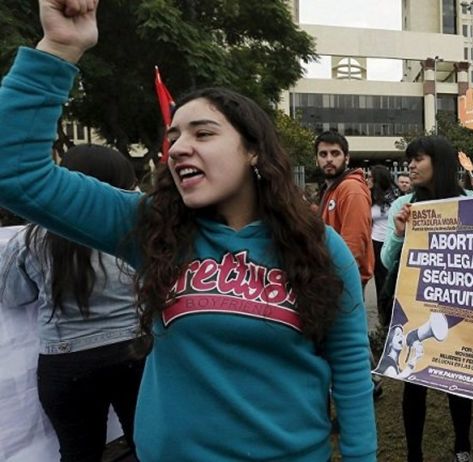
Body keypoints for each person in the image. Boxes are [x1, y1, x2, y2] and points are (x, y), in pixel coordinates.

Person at [0, 2, 376, 461]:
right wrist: (59, 47)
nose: (179, 148)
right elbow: (14, 172)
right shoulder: (151, 227)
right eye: (174, 136)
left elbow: (352, 368)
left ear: (253, 151)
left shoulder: (318, 245)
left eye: (202, 133)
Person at [0, 144, 145, 462]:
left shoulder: (33, 237)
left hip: (65, 360)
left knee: (78, 454)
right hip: (135, 350)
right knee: (147, 445)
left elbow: (11, 295)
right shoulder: (136, 232)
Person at [381, 135, 473, 462]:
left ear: (440, 162)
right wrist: (401, 235)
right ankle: (414, 453)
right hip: (416, 304)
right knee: (413, 379)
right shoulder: (403, 206)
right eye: (410, 160)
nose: (411, 166)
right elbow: (389, 262)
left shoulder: (470, 201)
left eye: (418, 159)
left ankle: (463, 446)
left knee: (457, 376)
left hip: (458, 303)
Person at [316, 131, 374, 287]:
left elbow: (353, 244)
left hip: (343, 280)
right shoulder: (330, 189)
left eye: (335, 153)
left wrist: (335, 279)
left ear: (346, 158)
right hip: (330, 276)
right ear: (316, 160)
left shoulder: (351, 188)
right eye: (323, 154)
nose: (329, 159)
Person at [366, 165, 396, 326]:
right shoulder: (369, 197)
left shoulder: (395, 197)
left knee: (393, 279)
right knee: (380, 279)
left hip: (393, 241)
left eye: (370, 177)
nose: (368, 180)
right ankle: (382, 315)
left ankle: (394, 312)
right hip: (375, 243)